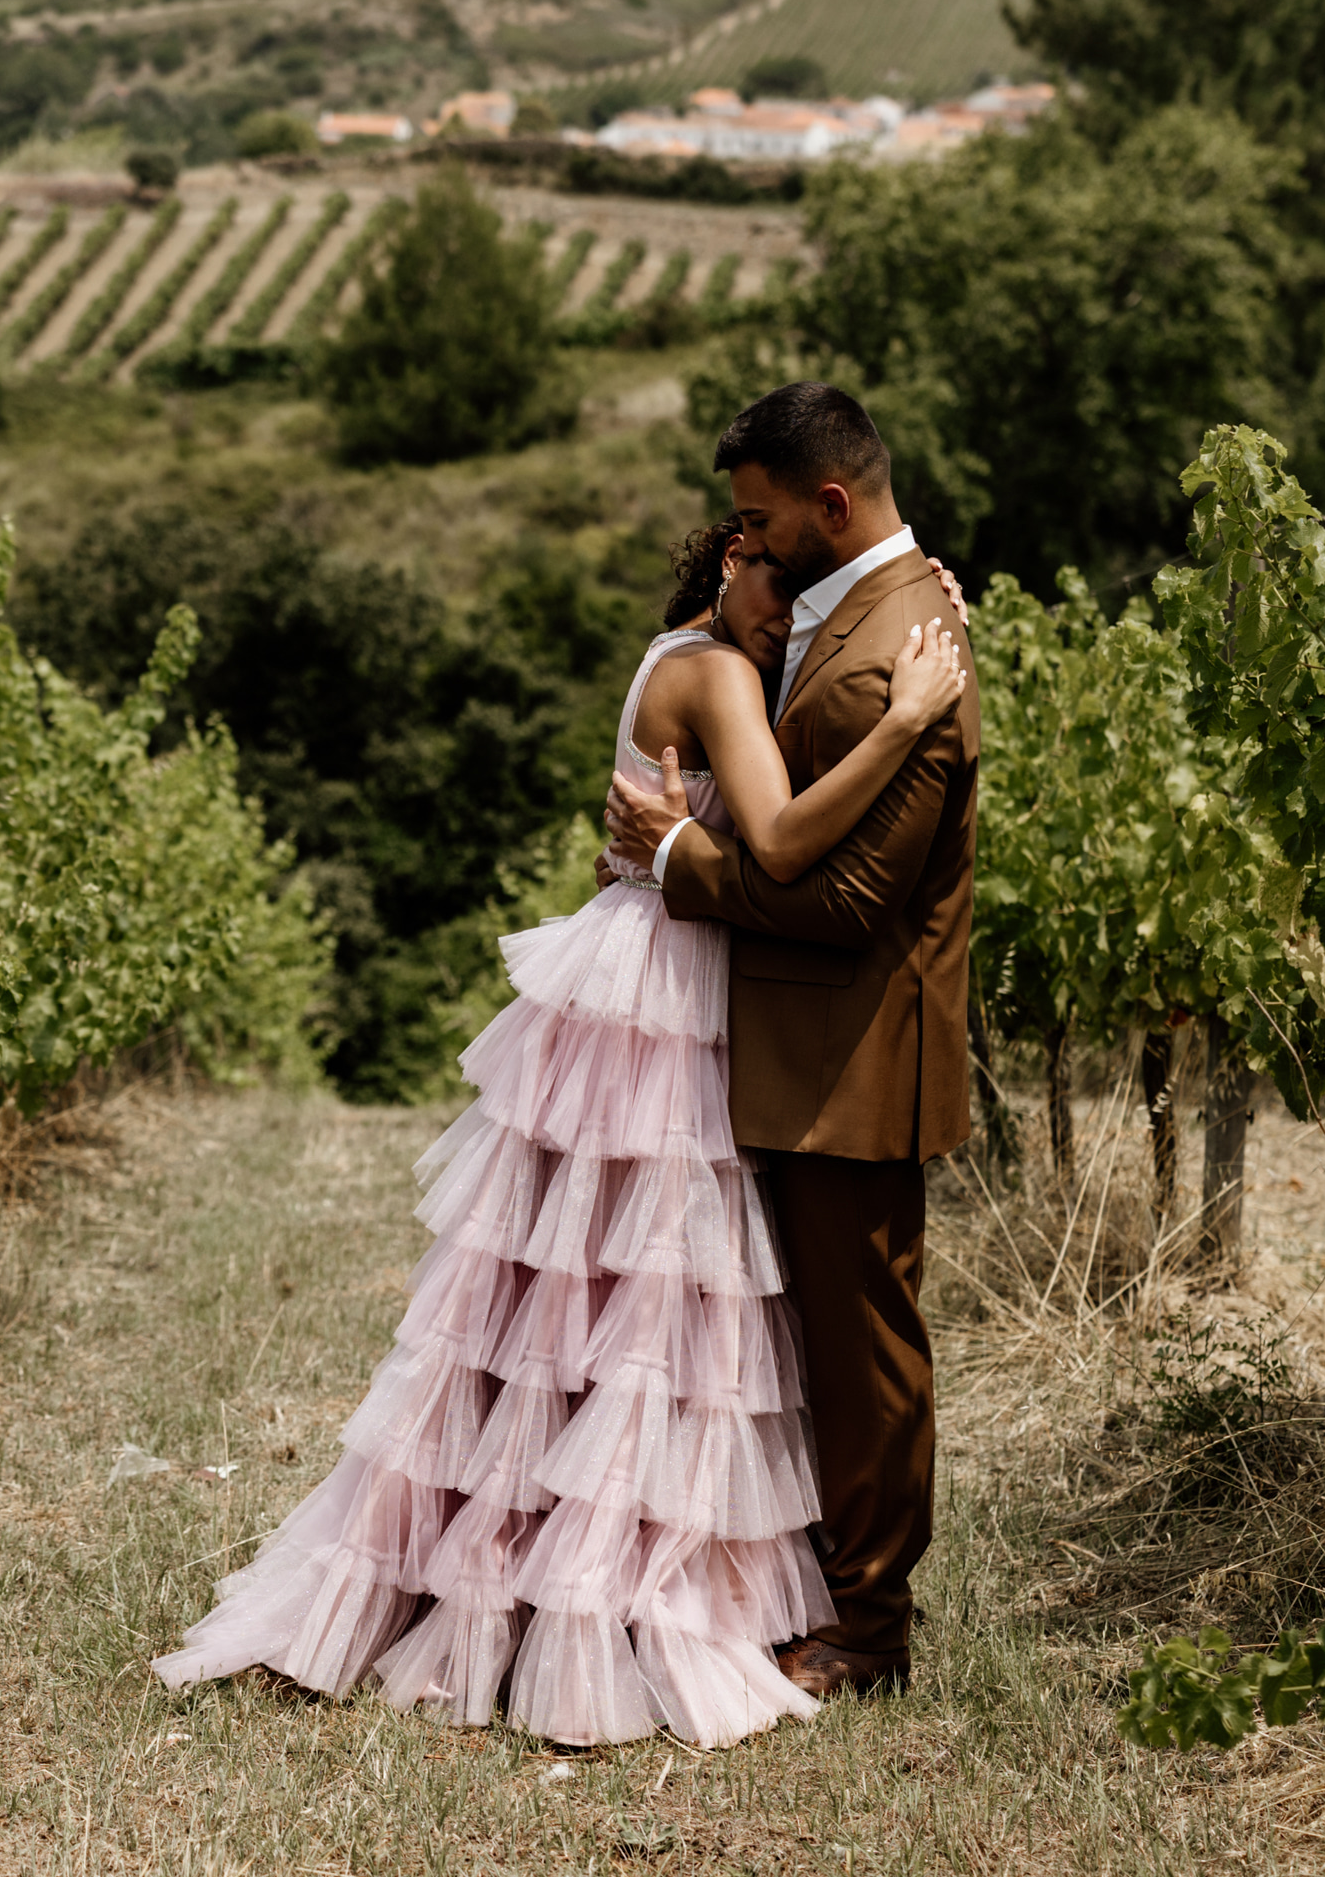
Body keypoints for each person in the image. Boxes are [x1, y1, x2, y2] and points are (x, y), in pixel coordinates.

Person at [148, 501, 967, 1749]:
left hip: (627, 965)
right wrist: (906, 718)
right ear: (735, 556)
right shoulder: (716, 673)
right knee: (650, 1297)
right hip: (678, 979)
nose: (785, 607)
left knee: (567, 1290)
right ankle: (613, 1573)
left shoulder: (675, 655)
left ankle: (525, 1547)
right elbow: (790, 840)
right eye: (771, 580)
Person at [604, 379, 979, 1705]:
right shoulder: (873, 608)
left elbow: (848, 899)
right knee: (818, 1342)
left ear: (833, 504)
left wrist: (686, 861)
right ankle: (818, 1587)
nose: (741, 545)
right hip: (809, 1050)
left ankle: (870, 1634)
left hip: (856, 1057)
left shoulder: (897, 649)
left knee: (863, 1348)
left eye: (759, 523)